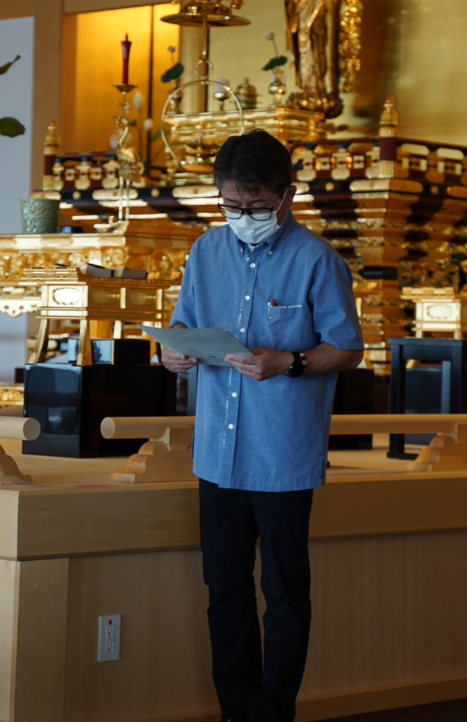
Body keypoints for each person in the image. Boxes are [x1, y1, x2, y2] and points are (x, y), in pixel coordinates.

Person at [162, 129, 364, 722]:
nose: (242, 216)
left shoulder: (317, 260)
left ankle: (274, 712)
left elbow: (347, 349)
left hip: (281, 454)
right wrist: (173, 352)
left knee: (284, 593)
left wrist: (288, 362)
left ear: (286, 196)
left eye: (255, 205)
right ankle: (236, 710)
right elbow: (182, 324)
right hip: (216, 454)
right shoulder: (205, 251)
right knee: (224, 588)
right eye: (231, 205)